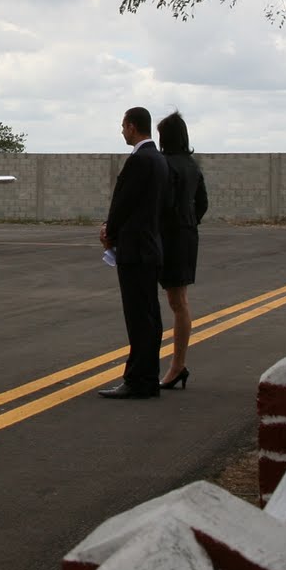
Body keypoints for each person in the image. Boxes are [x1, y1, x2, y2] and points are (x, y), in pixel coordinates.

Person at [97, 106, 169, 400]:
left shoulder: (139, 160)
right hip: (151, 247)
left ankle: (137, 379)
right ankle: (148, 377)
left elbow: (122, 203)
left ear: (131, 126)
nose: (122, 131)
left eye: (123, 126)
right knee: (150, 316)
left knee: (138, 317)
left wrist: (108, 232)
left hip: (135, 251)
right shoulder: (160, 160)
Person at [156, 110, 208, 390]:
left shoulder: (166, 165)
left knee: (177, 302)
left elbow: (161, 203)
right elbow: (202, 203)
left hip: (170, 236)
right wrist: (189, 222)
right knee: (180, 299)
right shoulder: (192, 165)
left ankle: (177, 366)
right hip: (188, 235)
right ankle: (177, 364)